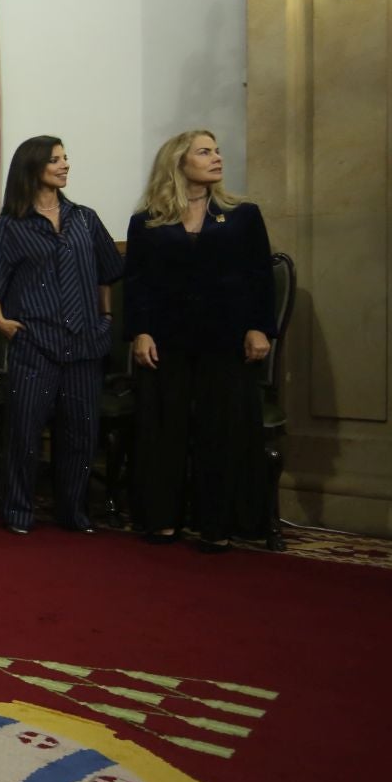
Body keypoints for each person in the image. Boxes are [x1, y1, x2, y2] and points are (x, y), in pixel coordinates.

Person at [124, 129, 275, 552]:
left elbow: (259, 276)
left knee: (221, 431)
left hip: (227, 338)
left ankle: (217, 524)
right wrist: (141, 331)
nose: (216, 158)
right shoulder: (148, 220)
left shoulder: (242, 214)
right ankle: (161, 519)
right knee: (163, 429)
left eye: (217, 151)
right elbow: (138, 282)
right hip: (166, 339)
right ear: (179, 162)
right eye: (204, 152)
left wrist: (259, 326)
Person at [0, 135, 123, 535]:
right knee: (24, 433)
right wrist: (0, 322)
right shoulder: (10, 226)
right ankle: (18, 513)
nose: (65, 165)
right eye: (56, 160)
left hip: (84, 343)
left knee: (80, 433)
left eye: (65, 158)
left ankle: (73, 512)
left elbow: (109, 272)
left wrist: (105, 317)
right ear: (34, 167)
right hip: (33, 344)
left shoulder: (85, 218)